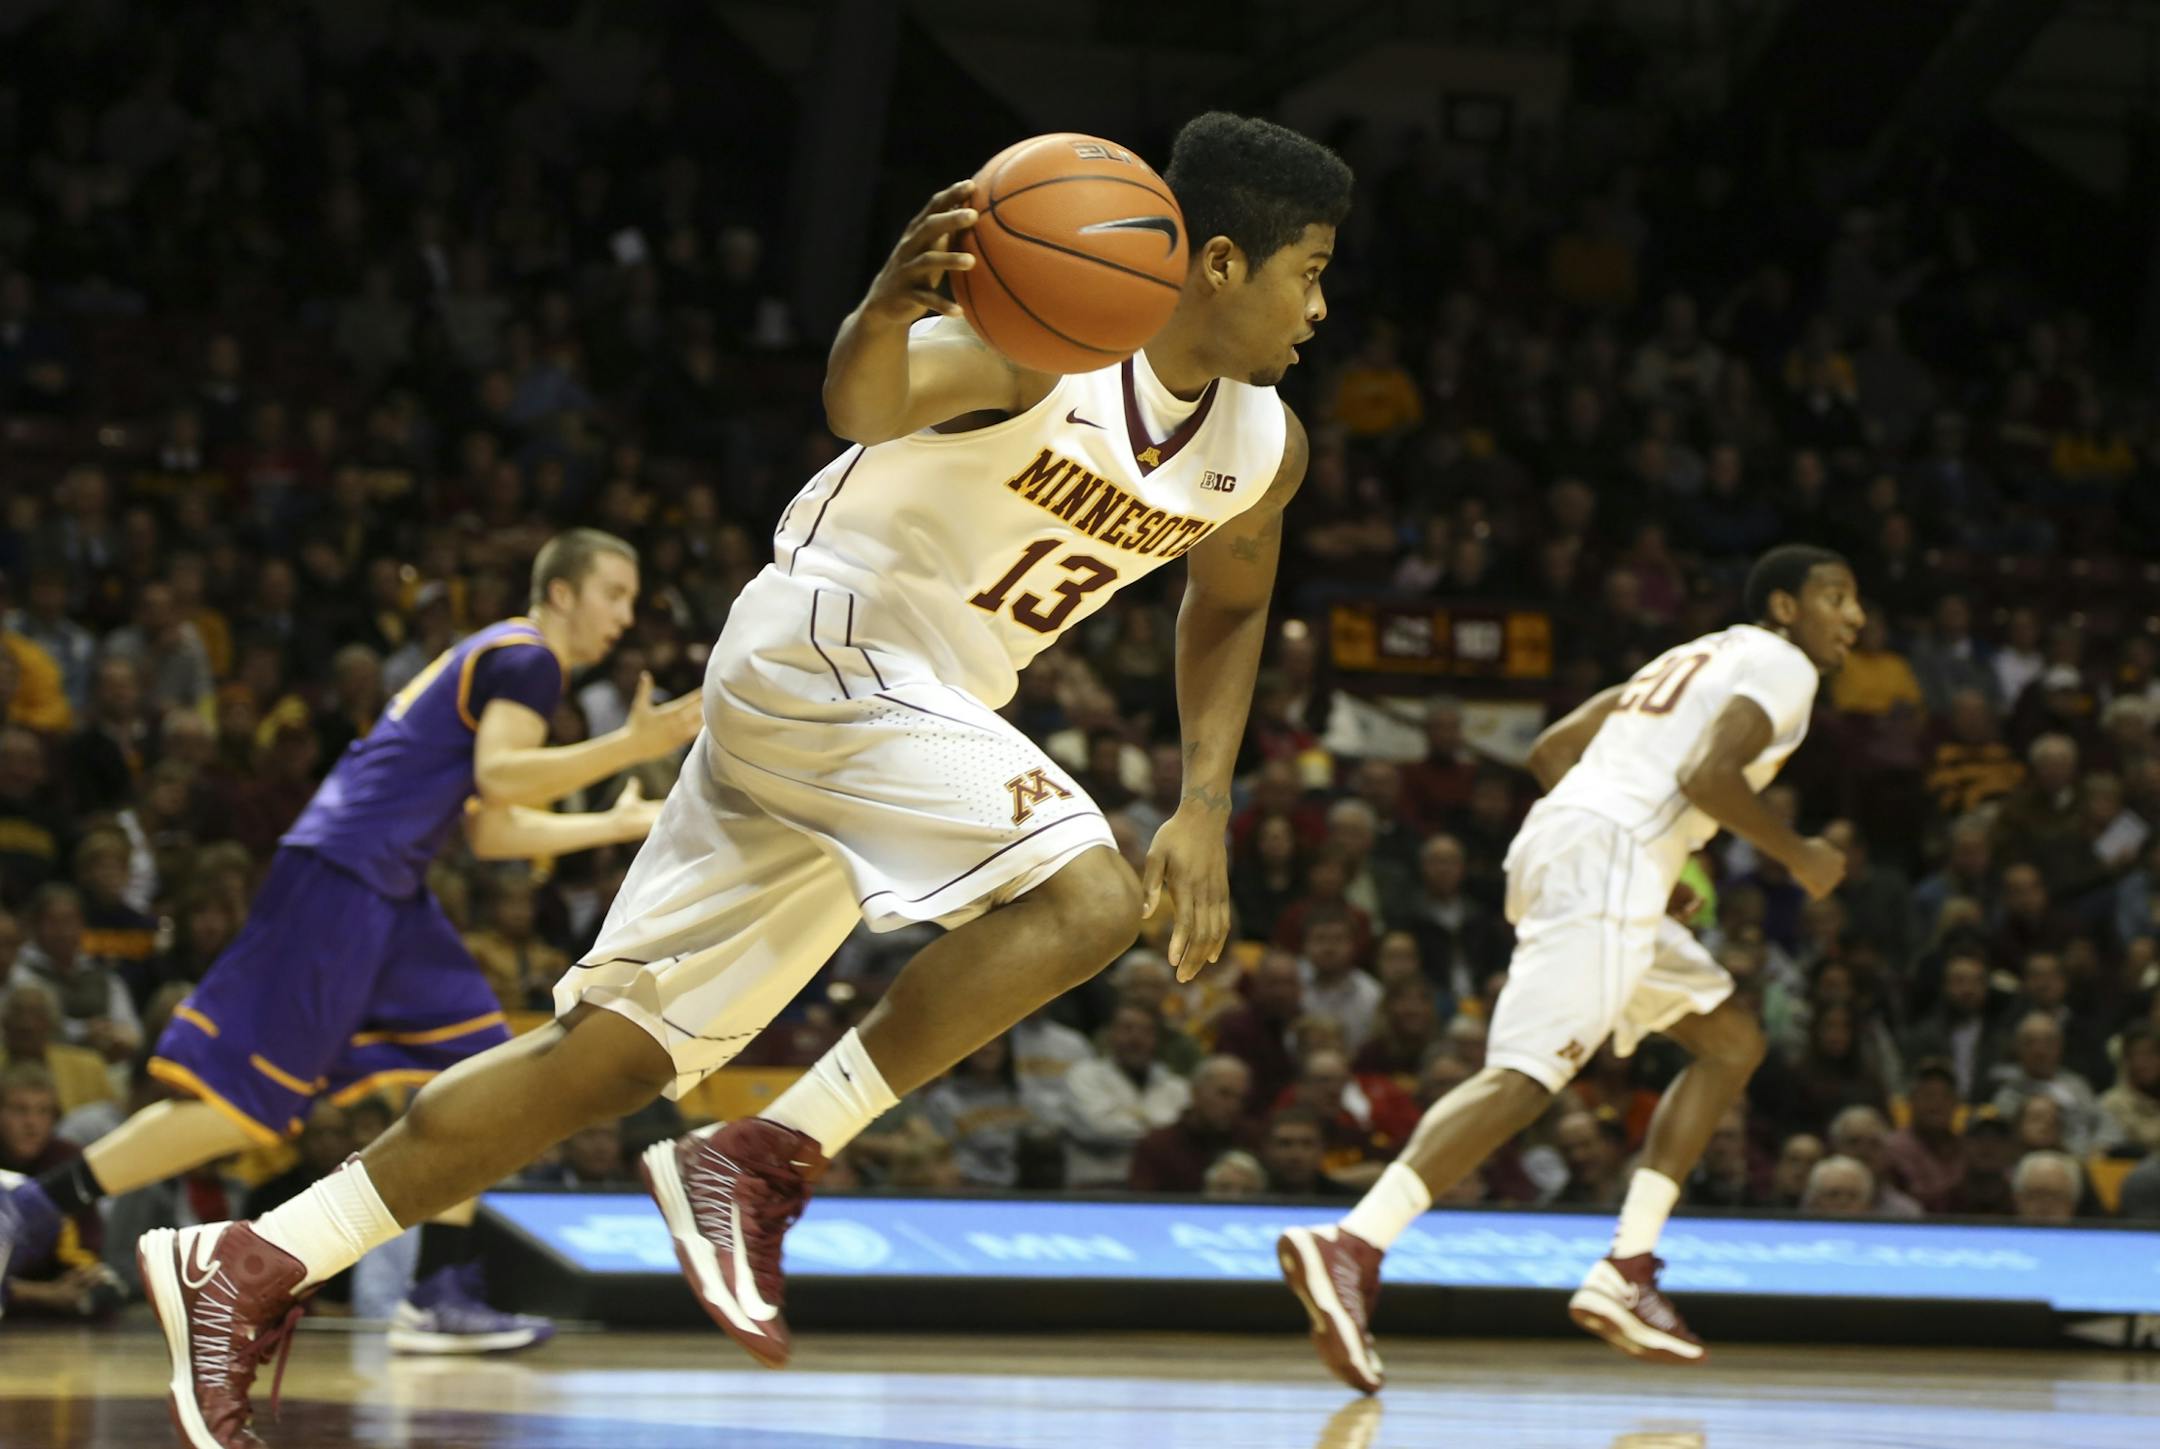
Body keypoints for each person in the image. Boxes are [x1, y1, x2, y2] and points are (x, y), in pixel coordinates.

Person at [140, 112, 1353, 1447]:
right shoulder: (1044, 341)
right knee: (1086, 899)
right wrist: (884, 313)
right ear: (1221, 261)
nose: (1320, 308)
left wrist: (1205, 800)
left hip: (900, 717)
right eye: (1309, 270)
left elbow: (1232, 601)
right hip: (830, 641)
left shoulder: (1264, 448)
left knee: (609, 1059)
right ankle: (765, 1151)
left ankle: (251, 1260)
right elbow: (864, 407)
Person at [1, 530, 695, 1354]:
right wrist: (631, 745)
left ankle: (438, 1293)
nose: (625, 615)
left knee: (486, 1075)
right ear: (562, 592)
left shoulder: (507, 658)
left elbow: (491, 830)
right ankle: (33, 1206)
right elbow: (502, 775)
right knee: (243, 1109)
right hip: (345, 875)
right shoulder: (528, 655)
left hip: (388, 888)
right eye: (614, 593)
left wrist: (613, 821)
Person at [1280, 544, 1860, 1392]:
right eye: (1836, 597)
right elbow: (1708, 774)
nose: (1854, 617)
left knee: (1731, 1041)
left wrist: (1651, 860)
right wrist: (1798, 853)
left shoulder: (1691, 655)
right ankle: (1352, 1242)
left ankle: (1628, 1266)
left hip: (1590, 848)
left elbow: (1553, 751)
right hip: (1611, 859)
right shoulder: (1783, 664)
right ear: (1784, 605)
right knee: (1526, 1077)